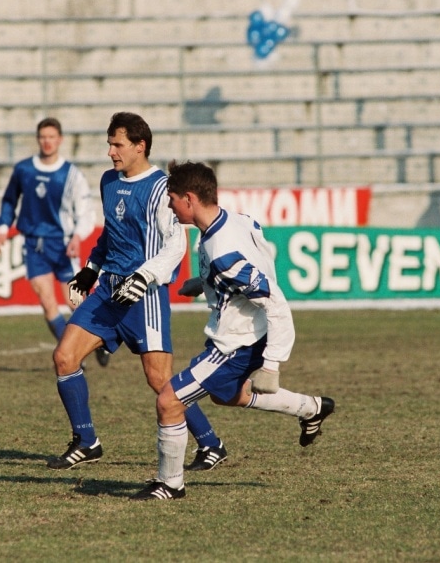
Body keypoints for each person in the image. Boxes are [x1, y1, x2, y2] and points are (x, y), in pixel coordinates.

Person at [129, 160, 335, 501]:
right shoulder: (237, 220)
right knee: (227, 395)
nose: (169, 205)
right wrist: (206, 283)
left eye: (172, 198)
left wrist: (272, 364)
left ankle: (170, 484)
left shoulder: (223, 253)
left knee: (169, 401)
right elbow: (256, 257)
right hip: (245, 334)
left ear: (189, 199)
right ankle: (311, 408)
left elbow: (276, 302)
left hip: (236, 344)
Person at [49, 112, 228, 473]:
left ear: (139, 146)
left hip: (144, 298)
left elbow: (175, 245)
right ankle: (86, 441)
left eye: (117, 144)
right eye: (109, 144)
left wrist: (144, 278)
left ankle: (211, 444)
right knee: (64, 357)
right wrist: (91, 269)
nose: (110, 152)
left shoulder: (162, 188)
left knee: (160, 380)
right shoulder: (108, 181)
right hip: (108, 292)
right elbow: (111, 233)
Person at [0, 117, 107, 367]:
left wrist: (77, 236)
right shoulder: (24, 170)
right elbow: (9, 200)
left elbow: (86, 212)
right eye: (43, 137)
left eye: (52, 137)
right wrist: (2, 229)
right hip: (33, 245)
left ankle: (100, 341)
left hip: (63, 245)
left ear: (60, 140)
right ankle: (72, 357)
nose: (47, 142)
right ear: (38, 139)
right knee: (47, 303)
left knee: (75, 303)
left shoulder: (71, 175)